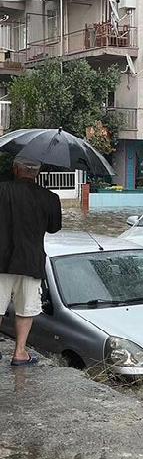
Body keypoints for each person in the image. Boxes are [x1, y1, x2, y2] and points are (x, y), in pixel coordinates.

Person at [0, 157, 62, 366]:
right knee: (26, 308)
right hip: (30, 262)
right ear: (37, 173)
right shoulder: (50, 198)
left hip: (0, 261)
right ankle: (19, 353)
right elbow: (54, 228)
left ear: (16, 169)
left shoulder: (1, 190)